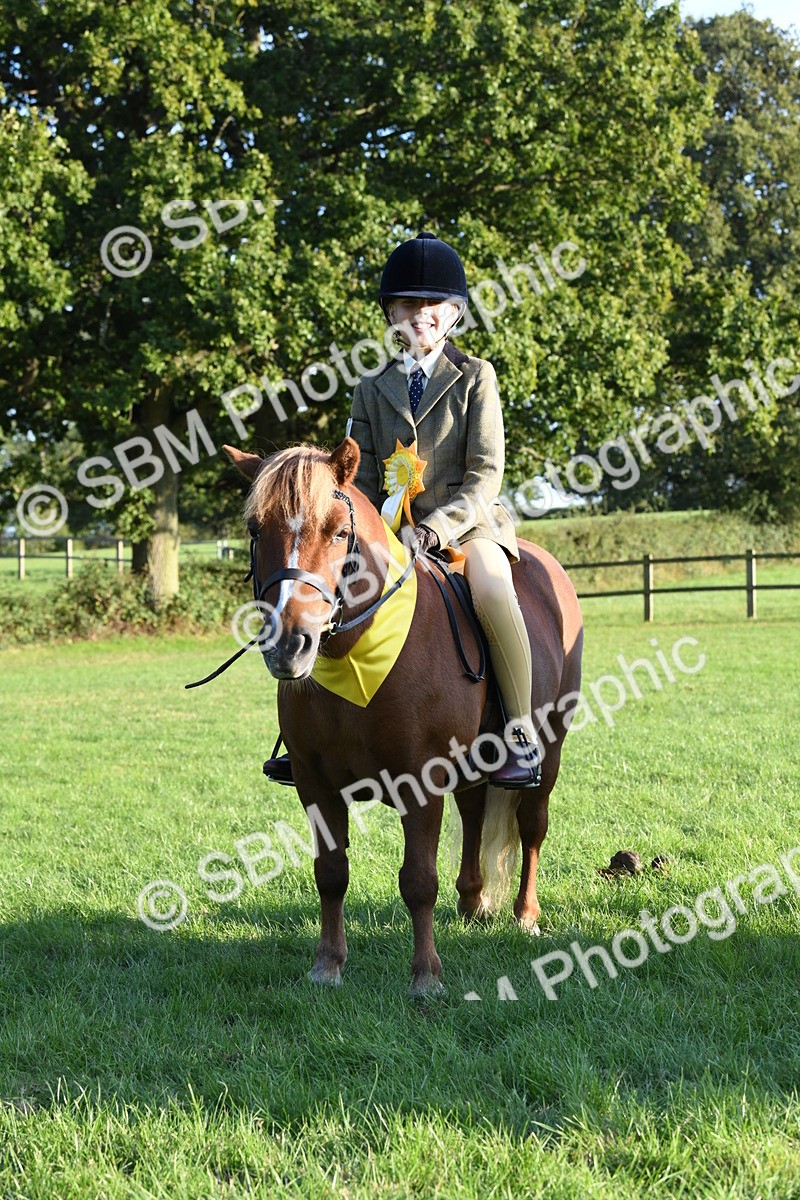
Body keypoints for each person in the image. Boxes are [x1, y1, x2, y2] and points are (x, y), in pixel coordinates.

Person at [263, 231, 539, 789]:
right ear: (391, 314)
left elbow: (485, 476)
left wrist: (434, 531)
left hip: (467, 527)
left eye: (432, 305)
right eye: (408, 305)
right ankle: (307, 740)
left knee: (490, 588)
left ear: (454, 313)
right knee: (320, 592)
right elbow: (355, 478)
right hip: (384, 532)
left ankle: (519, 730)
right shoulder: (371, 386)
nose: (421, 315)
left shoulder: (476, 377)